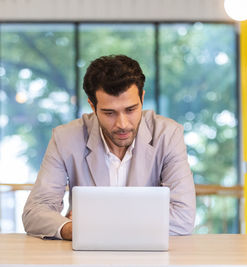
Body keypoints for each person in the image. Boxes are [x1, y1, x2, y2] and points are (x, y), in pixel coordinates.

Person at [22, 55, 196, 240]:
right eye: (109, 113)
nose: (122, 124)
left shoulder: (168, 135)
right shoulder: (65, 138)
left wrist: (91, 224)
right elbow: (35, 212)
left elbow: (183, 218)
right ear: (92, 105)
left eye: (131, 110)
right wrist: (70, 229)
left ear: (142, 98)